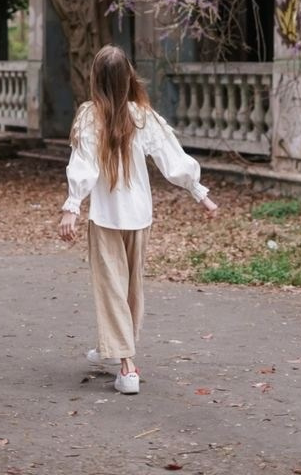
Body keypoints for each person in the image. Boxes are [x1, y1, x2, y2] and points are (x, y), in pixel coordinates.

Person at [58, 45, 218, 395]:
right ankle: (110, 351)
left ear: (96, 80)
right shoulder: (143, 115)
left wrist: (72, 207)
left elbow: (83, 166)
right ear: (129, 76)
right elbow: (173, 159)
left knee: (111, 288)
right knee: (131, 288)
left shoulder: (89, 116)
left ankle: (127, 366)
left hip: (105, 218)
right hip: (139, 216)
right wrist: (199, 192)